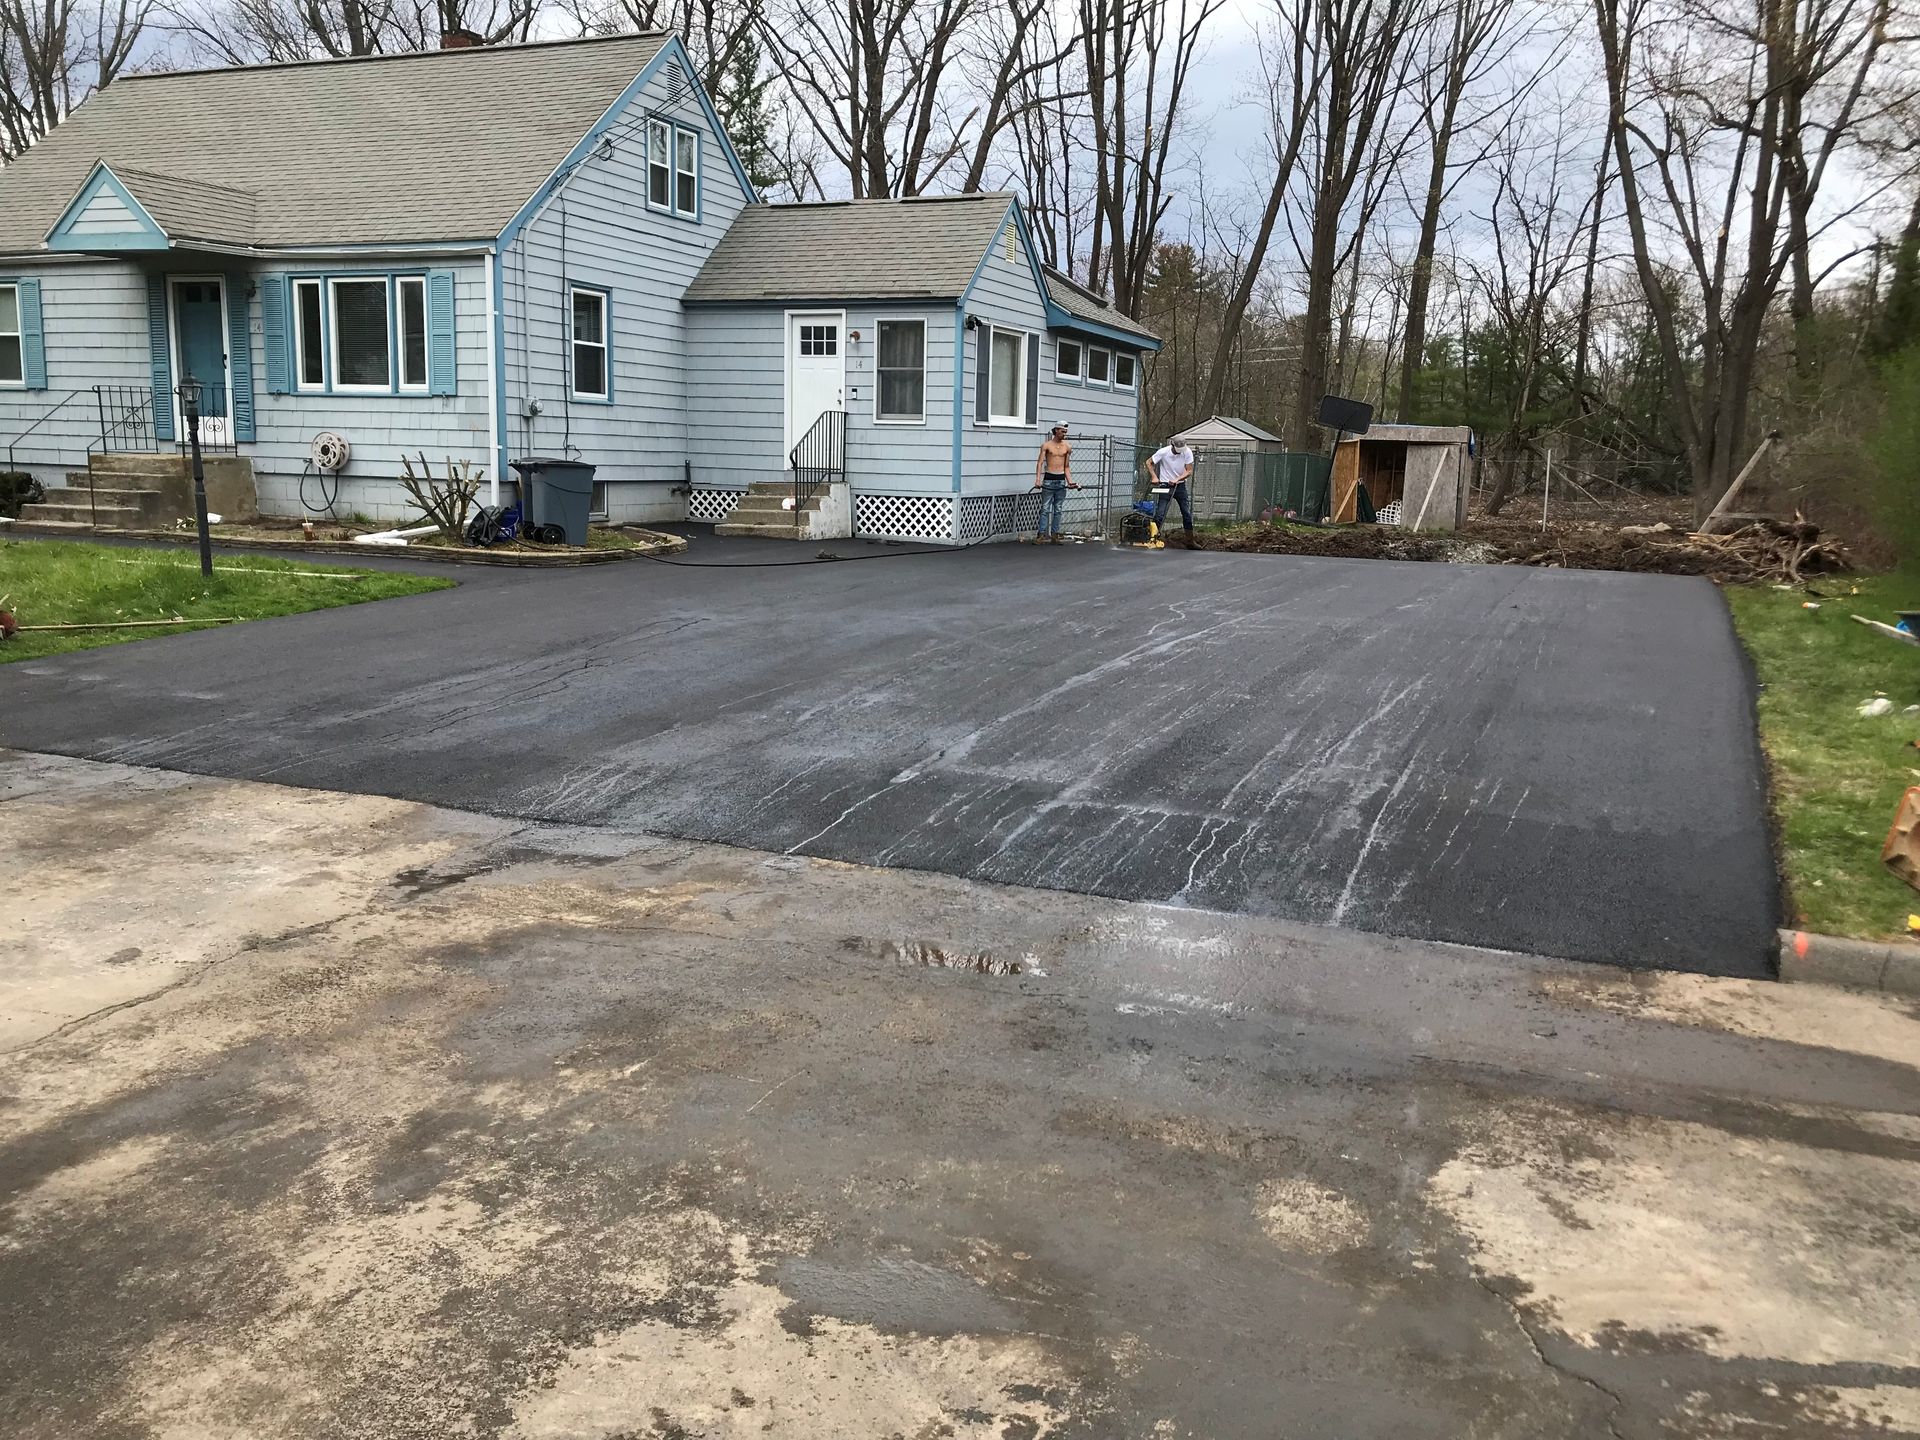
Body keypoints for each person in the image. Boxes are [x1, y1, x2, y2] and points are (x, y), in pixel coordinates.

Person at [1029, 424, 1079, 544]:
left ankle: (1055, 535)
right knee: (1045, 509)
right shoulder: (1046, 445)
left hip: (1061, 481)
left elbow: (1066, 466)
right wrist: (1037, 480)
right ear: (1056, 431)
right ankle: (1041, 535)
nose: (1064, 434)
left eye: (1065, 432)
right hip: (1048, 480)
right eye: (1062, 431)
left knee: (1058, 509)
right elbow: (1040, 463)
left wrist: (1070, 481)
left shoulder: (1067, 447)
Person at [1144, 435, 1195, 543]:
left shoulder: (1187, 452)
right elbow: (1149, 462)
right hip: (1165, 486)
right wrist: (1154, 476)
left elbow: (1189, 471)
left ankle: (1190, 540)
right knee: (1160, 513)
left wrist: (1178, 479)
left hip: (1180, 486)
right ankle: (1152, 538)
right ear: (1173, 445)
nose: (1180, 452)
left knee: (1186, 512)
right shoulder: (1163, 452)